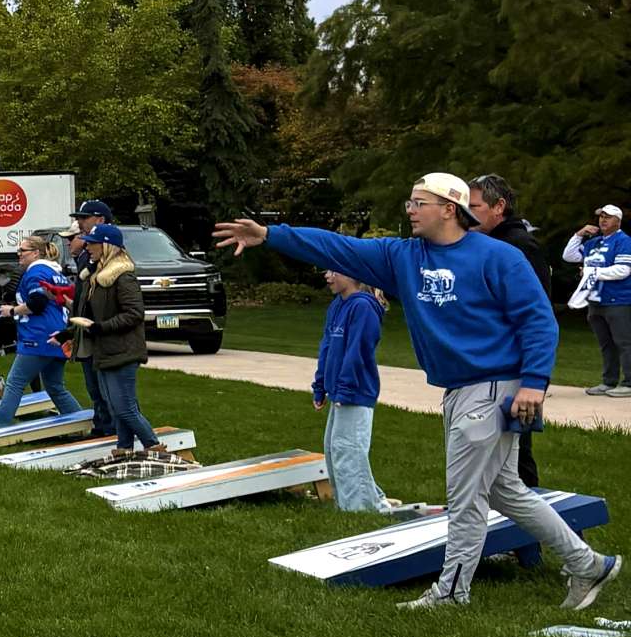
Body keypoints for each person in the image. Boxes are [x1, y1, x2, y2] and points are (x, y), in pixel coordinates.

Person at [217, 172, 621, 610]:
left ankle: (451, 592)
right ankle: (588, 564)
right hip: (460, 388)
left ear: (449, 209)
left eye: (418, 203)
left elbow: (537, 320)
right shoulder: (403, 256)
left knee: (464, 498)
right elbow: (338, 246)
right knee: (506, 491)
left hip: (492, 386)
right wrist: (271, 234)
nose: (409, 210)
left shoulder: (497, 257)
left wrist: (534, 383)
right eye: (409, 202)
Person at [468, 174, 552, 487]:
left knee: (515, 455)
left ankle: (526, 529)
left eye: (473, 206)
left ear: (499, 206)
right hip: (493, 364)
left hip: (513, 367)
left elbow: (536, 316)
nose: (466, 214)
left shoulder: (516, 246)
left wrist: (532, 376)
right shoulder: (488, 244)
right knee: (501, 456)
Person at [0, 236, 85, 430]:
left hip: (39, 335)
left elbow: (37, 303)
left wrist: (12, 311)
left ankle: (0, 423)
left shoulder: (36, 272)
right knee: (55, 387)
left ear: (36, 253)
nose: (19, 254)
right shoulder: (54, 271)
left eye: (22, 250)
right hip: (57, 333)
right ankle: (81, 422)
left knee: (15, 382)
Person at [71, 223, 162, 458]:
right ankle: (124, 449)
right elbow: (87, 311)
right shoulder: (97, 276)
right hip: (106, 350)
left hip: (123, 350)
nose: (87, 247)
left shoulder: (123, 277)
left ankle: (154, 446)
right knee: (115, 407)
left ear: (107, 246)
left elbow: (134, 314)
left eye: (92, 243)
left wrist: (101, 328)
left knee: (125, 407)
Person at [314, 269, 392, 513]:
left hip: (355, 391)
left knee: (349, 451)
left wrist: (345, 387)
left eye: (333, 271)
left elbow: (358, 350)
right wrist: (320, 385)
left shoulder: (363, 308)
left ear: (352, 274)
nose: (327, 276)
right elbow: (326, 346)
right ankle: (354, 504)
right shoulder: (338, 305)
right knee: (334, 449)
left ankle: (360, 510)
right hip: (339, 390)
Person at [563, 204, 631, 397]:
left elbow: (623, 270)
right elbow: (568, 256)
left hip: (618, 300)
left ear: (618, 221)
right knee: (606, 344)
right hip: (595, 301)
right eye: (601, 216)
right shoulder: (594, 243)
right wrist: (579, 234)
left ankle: (629, 383)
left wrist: (593, 272)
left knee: (624, 342)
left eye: (607, 217)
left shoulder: (624, 241)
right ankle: (608, 381)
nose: (602, 220)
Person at [66, 200, 117, 439]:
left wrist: (99, 325)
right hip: (86, 329)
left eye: (84, 218)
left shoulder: (112, 259)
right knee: (94, 387)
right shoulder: (87, 255)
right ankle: (101, 427)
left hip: (103, 332)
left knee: (110, 389)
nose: (79, 222)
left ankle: (115, 432)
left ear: (100, 220)